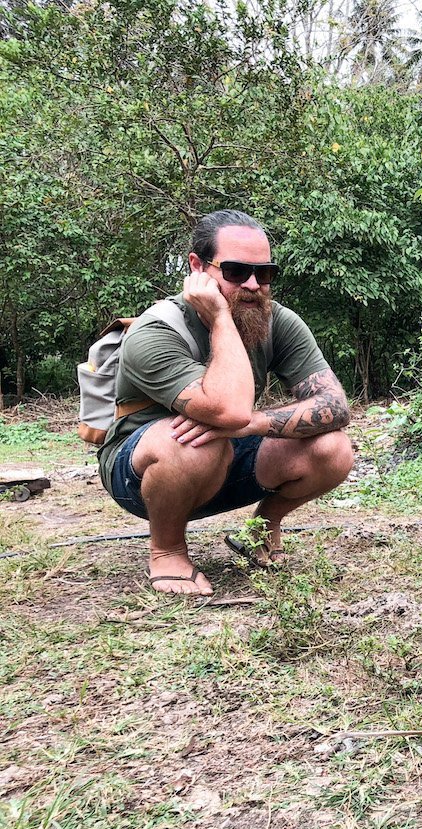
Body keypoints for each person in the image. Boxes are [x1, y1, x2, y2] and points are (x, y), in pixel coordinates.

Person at [97, 210, 354, 595]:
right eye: (235, 272)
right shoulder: (156, 330)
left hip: (226, 455)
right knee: (186, 441)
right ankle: (167, 549)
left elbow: (335, 405)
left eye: (264, 274)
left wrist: (253, 424)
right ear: (198, 267)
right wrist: (219, 318)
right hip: (142, 471)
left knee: (333, 448)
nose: (253, 285)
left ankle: (260, 529)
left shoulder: (277, 321)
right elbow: (229, 410)